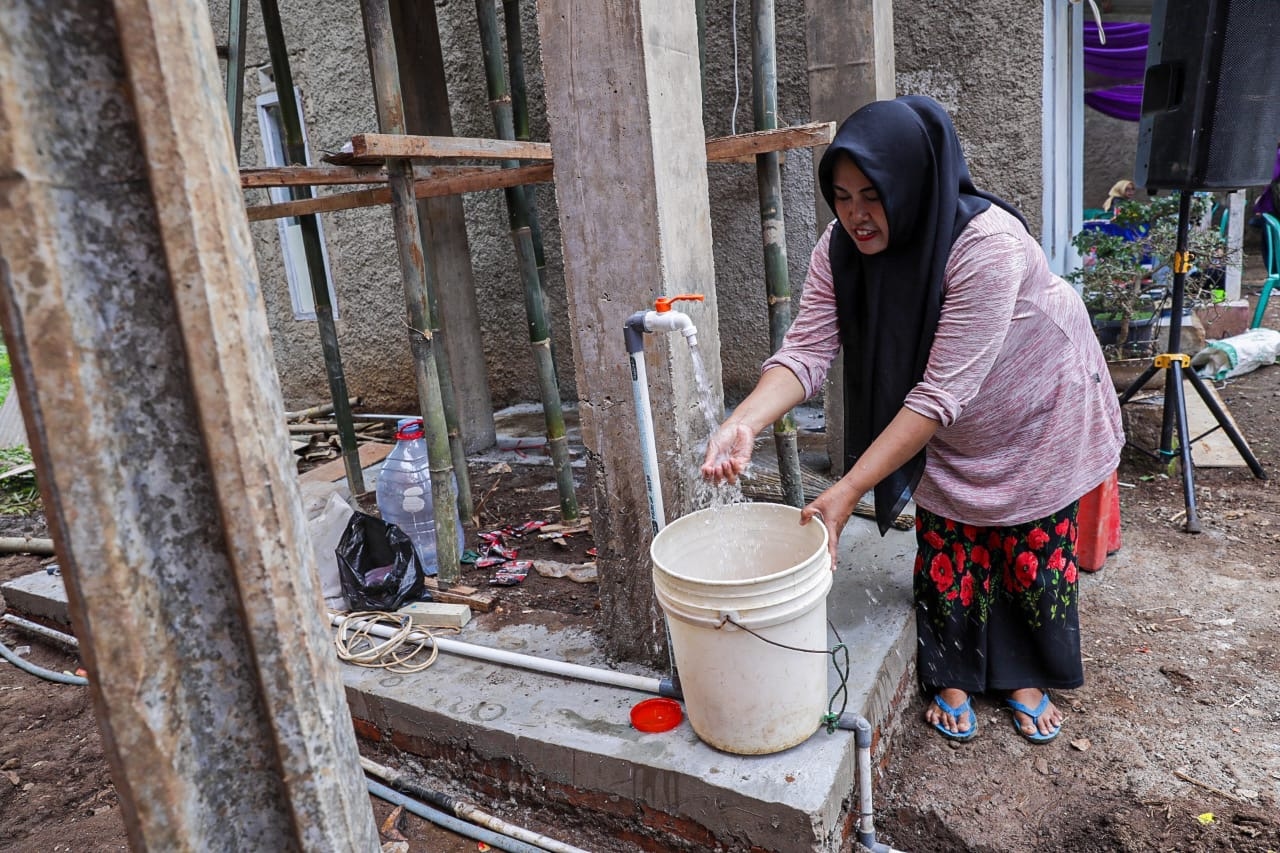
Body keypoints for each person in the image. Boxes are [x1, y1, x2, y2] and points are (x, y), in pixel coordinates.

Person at [701, 96, 1124, 745]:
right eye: (840, 195)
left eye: (873, 194)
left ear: (912, 182)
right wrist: (745, 420)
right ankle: (954, 669)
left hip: (1037, 396)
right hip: (951, 410)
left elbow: (935, 397)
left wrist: (846, 491)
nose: (855, 214)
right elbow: (807, 349)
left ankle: (1023, 675)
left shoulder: (986, 247)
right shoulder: (839, 251)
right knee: (951, 534)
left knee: (1027, 537)